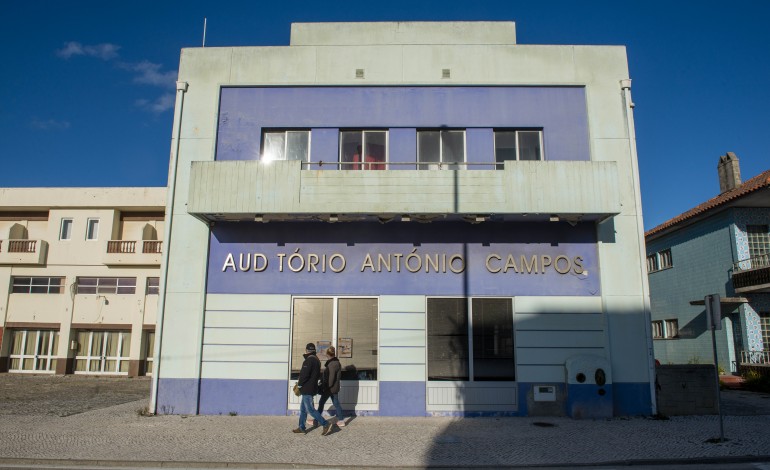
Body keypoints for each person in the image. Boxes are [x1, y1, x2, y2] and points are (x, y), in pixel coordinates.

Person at [293, 343, 332, 435]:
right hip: (311, 388)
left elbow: (304, 375)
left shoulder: (308, 360)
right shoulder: (317, 360)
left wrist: (299, 385)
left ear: (306, 350)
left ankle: (325, 423)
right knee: (303, 409)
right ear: (314, 351)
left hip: (307, 389)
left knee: (310, 409)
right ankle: (301, 427)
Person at [317, 346, 345, 427]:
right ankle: (341, 420)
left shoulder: (332, 364)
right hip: (334, 388)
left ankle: (317, 419)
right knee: (336, 403)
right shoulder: (336, 362)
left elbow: (331, 378)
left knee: (321, 402)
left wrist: (326, 387)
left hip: (329, 388)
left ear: (328, 354)